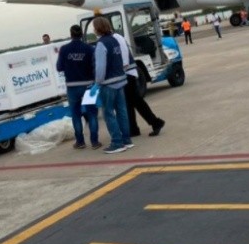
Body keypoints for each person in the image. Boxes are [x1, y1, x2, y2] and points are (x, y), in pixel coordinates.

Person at [90, 16, 133, 154]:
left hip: (108, 83)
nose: (93, 29)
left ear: (98, 28)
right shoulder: (114, 40)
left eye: (94, 26)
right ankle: (126, 139)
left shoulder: (101, 44)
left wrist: (97, 83)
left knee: (108, 113)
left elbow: (100, 67)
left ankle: (116, 142)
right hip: (120, 80)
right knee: (122, 111)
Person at [56, 25, 101, 150]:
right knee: (92, 114)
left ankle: (80, 142)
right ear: (82, 34)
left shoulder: (64, 49)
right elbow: (95, 66)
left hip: (72, 86)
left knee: (76, 115)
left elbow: (59, 67)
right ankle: (95, 142)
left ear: (71, 34)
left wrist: (70, 66)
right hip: (88, 85)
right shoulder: (89, 48)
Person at [114, 32, 166, 138]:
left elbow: (124, 59)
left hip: (127, 74)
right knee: (131, 103)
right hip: (127, 73)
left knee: (136, 101)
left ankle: (155, 122)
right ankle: (134, 128)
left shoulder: (116, 38)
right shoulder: (116, 37)